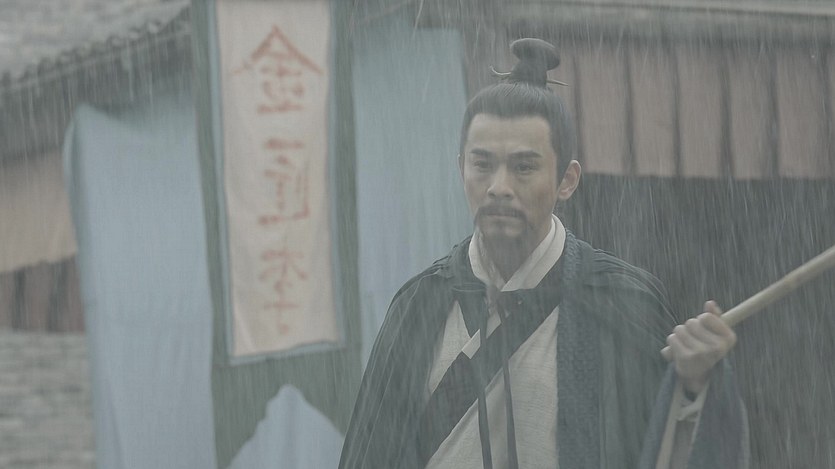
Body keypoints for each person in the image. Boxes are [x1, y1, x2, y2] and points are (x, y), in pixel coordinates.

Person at [339, 38, 748, 469]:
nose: (499, 187)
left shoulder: (621, 300)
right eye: (482, 165)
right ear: (461, 169)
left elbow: (668, 446)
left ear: (567, 180)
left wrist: (697, 383)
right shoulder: (420, 305)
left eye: (523, 167)